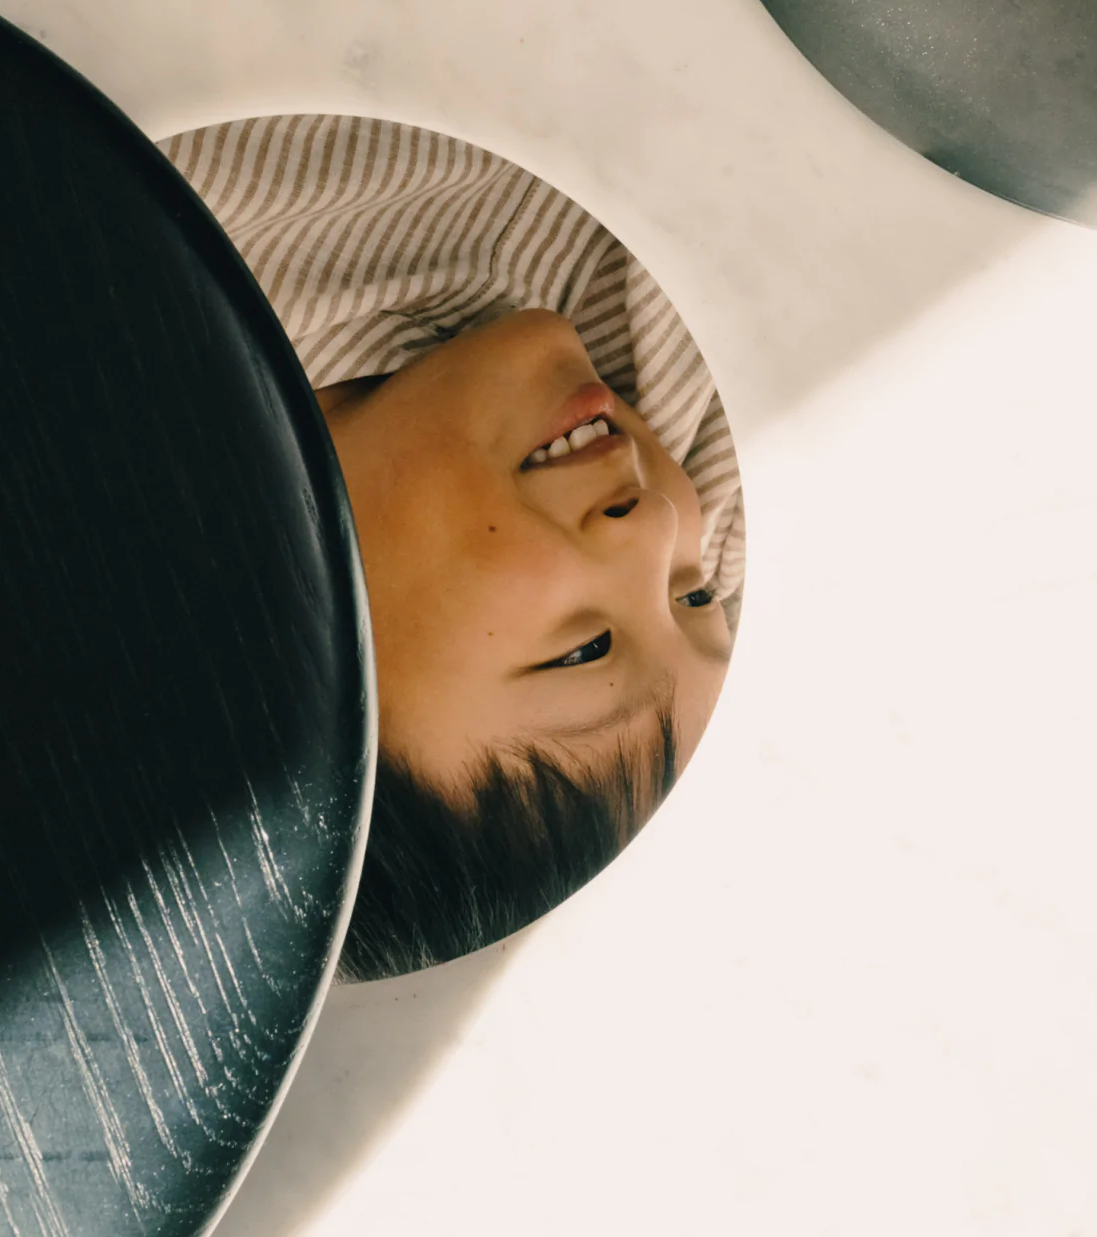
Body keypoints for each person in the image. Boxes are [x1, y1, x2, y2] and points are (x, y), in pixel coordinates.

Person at [158, 113, 743, 978]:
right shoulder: (684, 415)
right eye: (696, 599)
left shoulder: (138, 270)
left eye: (584, 649)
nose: (658, 528)